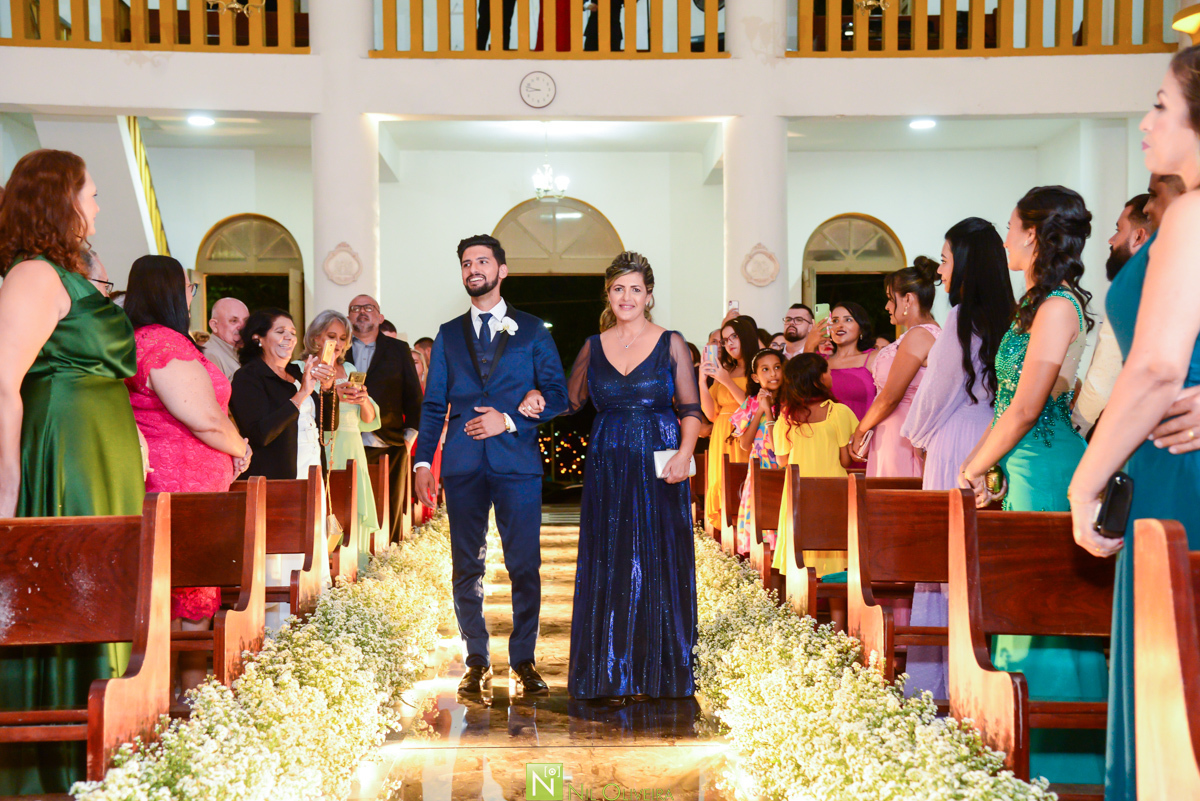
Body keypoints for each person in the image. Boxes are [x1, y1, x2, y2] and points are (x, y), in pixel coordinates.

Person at [1067, 46, 1200, 801]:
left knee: (1171, 703)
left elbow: (1153, 368)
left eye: (1159, 104)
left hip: (1175, 472)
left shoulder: (1191, 213)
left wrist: (1084, 484)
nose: (1146, 121)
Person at [0, 149, 145, 794]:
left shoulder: (69, 272)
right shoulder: (31, 275)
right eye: (88, 192)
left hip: (102, 452)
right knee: (73, 583)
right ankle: (56, 768)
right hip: (65, 454)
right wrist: (9, 480)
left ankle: (110, 743)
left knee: (106, 585)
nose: (96, 202)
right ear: (57, 199)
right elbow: (4, 381)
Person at [960, 185, 1105, 786]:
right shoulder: (1039, 302)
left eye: (1011, 226)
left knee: (1047, 614)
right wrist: (994, 466)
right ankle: (1017, 752)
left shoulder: (1058, 306)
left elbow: (1025, 407)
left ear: (1036, 234)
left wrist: (970, 466)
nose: (1005, 237)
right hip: (1021, 464)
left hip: (1044, 467)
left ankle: (1063, 764)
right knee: (1017, 611)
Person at [413, 234, 568, 698]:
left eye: (482, 261)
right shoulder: (447, 334)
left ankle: (523, 659)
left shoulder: (533, 331)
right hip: (461, 465)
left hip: (517, 463)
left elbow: (558, 396)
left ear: (503, 270)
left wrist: (513, 418)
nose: (473, 269)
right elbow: (434, 403)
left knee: (525, 565)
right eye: (466, 263)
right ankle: (476, 660)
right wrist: (424, 460)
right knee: (466, 566)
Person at [551, 252, 701, 701]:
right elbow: (568, 401)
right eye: (618, 289)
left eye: (635, 289)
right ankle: (607, 671)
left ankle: (659, 670)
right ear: (608, 296)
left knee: (657, 556)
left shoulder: (671, 342)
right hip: (608, 462)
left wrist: (684, 453)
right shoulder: (592, 346)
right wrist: (519, 401)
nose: (627, 297)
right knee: (611, 557)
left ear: (649, 296)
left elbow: (691, 411)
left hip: (660, 458)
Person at [122, 255, 251, 700]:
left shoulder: (152, 341)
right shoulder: (163, 345)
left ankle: (181, 703)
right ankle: (183, 704)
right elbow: (205, 420)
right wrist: (241, 448)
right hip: (180, 493)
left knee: (184, 597)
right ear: (170, 292)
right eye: (189, 288)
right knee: (185, 600)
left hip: (183, 488)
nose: (192, 297)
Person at [900, 217, 1015, 700]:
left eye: (945, 260)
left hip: (954, 440)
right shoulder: (1011, 313)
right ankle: (976, 678)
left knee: (945, 564)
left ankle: (938, 688)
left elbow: (938, 389)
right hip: (993, 436)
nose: (940, 272)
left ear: (965, 264)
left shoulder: (961, 316)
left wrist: (918, 436)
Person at [769, 354, 859, 630]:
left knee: (800, 563)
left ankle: (800, 631)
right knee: (835, 565)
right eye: (827, 371)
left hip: (799, 497)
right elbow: (847, 461)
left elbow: (782, 461)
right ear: (819, 379)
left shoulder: (785, 417)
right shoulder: (839, 413)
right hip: (834, 495)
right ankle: (839, 631)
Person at [302, 310, 382, 570]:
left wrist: (363, 399)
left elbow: (369, 419)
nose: (337, 343)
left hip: (353, 446)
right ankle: (327, 573)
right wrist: (331, 391)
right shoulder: (302, 369)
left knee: (353, 509)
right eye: (331, 336)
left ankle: (353, 571)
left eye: (343, 338)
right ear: (316, 338)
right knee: (328, 507)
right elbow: (307, 408)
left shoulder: (349, 369)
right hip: (323, 445)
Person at [1071, 195, 1153, 438]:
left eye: (1118, 230)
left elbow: (1113, 378)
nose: (1111, 239)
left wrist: (1085, 429)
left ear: (1138, 236)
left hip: (1117, 432)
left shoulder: (1137, 292)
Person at [850, 259, 941, 476]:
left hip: (901, 435)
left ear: (908, 299)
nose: (887, 306)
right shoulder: (930, 332)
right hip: (896, 431)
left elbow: (891, 396)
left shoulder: (919, 335)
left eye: (891, 299)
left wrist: (860, 430)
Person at [348, 294, 423, 542]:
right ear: (349, 317)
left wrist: (410, 435)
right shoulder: (339, 348)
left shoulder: (398, 349)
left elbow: (413, 395)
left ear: (380, 317)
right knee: (349, 505)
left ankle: (386, 557)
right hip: (347, 441)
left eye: (369, 308)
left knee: (389, 506)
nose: (362, 312)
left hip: (389, 441)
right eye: (356, 308)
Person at [230, 308, 335, 480]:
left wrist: (327, 388)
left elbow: (329, 424)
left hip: (313, 466)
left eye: (293, 333)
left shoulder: (296, 372)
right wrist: (301, 395)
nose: (289, 338)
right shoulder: (248, 377)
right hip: (275, 476)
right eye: (280, 332)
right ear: (258, 338)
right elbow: (260, 435)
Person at [699, 314, 757, 531]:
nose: (729, 343)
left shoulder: (758, 366)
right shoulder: (727, 370)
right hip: (721, 435)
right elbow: (712, 414)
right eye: (725, 340)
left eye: (734, 337)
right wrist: (702, 382)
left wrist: (726, 381)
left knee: (741, 488)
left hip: (745, 435)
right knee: (721, 488)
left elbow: (754, 407)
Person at [730, 348, 783, 556]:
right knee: (762, 517)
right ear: (755, 376)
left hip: (784, 468)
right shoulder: (751, 403)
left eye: (777, 368)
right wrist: (760, 409)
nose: (773, 374)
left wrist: (769, 407)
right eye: (766, 369)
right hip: (760, 469)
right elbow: (744, 443)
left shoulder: (790, 400)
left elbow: (779, 442)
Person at [203, 296, 249, 381]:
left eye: (246, 321)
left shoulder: (241, 353)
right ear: (214, 325)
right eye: (234, 321)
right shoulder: (209, 356)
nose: (242, 327)